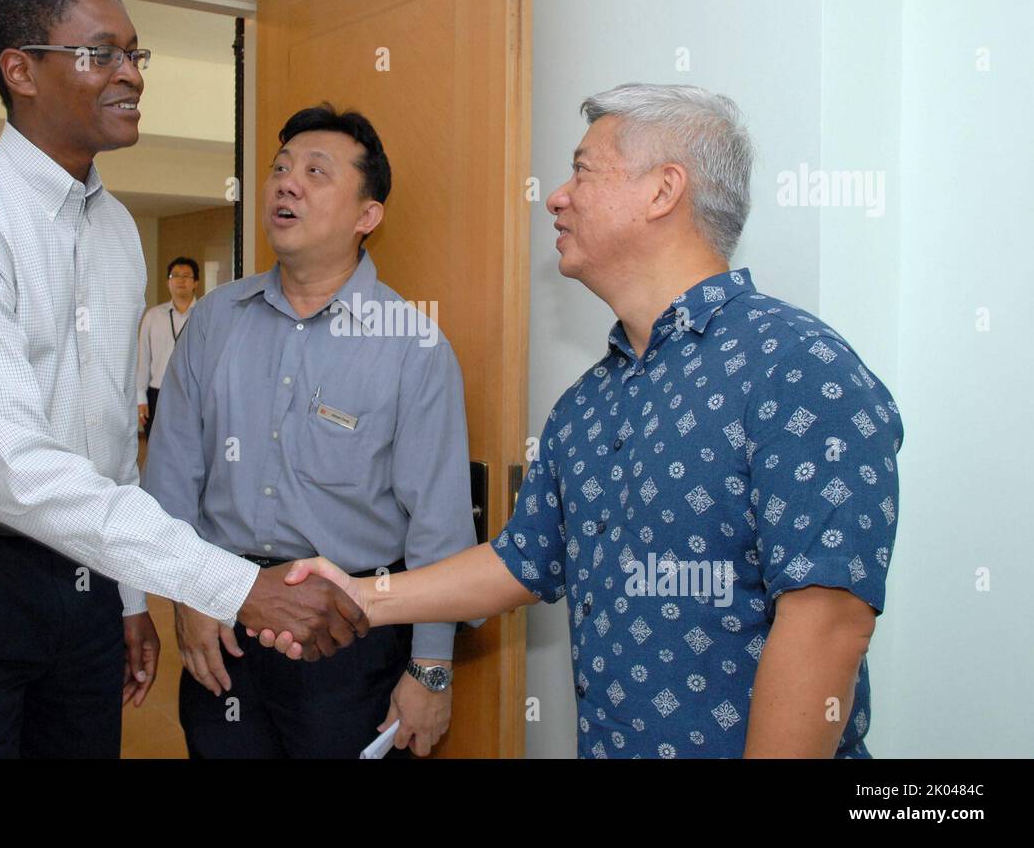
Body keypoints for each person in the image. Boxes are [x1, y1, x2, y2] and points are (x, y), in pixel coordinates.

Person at [262, 84, 904, 759]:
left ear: (662, 192)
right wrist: (362, 595)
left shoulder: (797, 365)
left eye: (583, 171)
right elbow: (521, 560)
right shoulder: (588, 403)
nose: (556, 195)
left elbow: (827, 622)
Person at [0, 0, 365, 759]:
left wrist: (126, 595)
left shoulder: (117, 231)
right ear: (19, 70)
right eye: (101, 54)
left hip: (77, 570)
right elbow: (14, 470)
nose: (130, 75)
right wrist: (235, 587)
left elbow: (107, 440)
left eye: (135, 55)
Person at [144, 104, 476, 758]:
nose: (286, 183)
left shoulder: (413, 345)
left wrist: (431, 670)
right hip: (227, 623)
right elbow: (170, 486)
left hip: (350, 645)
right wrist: (189, 598)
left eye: (316, 172)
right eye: (280, 169)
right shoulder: (213, 324)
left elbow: (438, 523)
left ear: (367, 215)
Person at [136, 256, 198, 434]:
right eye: (175, 275)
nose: (181, 280)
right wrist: (141, 397)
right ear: (168, 283)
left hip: (193, 394)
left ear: (195, 283)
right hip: (158, 392)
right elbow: (143, 359)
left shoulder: (204, 315)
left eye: (187, 276)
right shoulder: (153, 316)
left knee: (190, 449)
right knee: (157, 449)